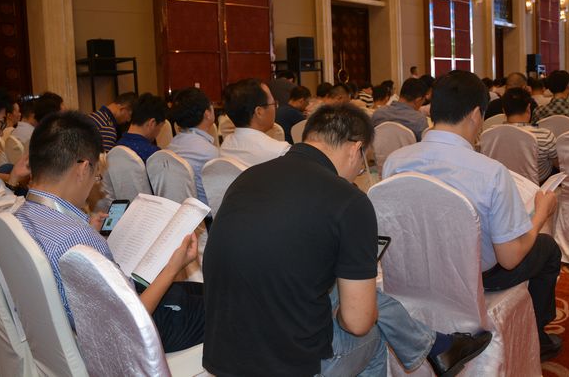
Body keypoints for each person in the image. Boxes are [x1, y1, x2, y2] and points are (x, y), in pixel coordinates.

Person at [203, 104, 491, 377]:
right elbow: (358, 323)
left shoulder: (248, 178)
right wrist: (344, 312)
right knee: (373, 333)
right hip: (290, 366)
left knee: (351, 293)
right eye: (364, 164)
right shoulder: (347, 200)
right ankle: (437, 348)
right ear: (355, 149)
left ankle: (438, 347)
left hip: (224, 354)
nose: (358, 172)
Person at [383, 71, 562, 362]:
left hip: (413, 269)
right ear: (477, 114)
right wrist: (541, 213)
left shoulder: (395, 161)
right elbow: (510, 258)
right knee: (548, 249)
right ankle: (537, 336)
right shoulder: (490, 173)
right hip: (477, 277)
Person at [15, 111, 205, 352]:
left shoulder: (20, 215)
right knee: (228, 306)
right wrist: (172, 268)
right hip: (129, 335)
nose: (95, 183)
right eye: (97, 175)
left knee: (204, 292)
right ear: (83, 169)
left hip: (72, 331)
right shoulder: (77, 239)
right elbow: (130, 322)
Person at [220, 78, 290, 166]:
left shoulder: (225, 147)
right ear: (259, 112)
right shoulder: (281, 152)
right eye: (273, 104)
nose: (275, 108)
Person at [167, 87, 219, 206]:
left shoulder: (171, 145)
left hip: (176, 209)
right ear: (207, 114)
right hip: (204, 214)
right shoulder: (209, 153)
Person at [501, 88, 559, 183]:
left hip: (505, 183)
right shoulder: (545, 135)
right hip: (537, 184)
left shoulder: (488, 134)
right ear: (528, 107)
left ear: (503, 111)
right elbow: (559, 164)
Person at [116, 93, 166, 162]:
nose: (159, 132)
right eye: (160, 127)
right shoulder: (153, 154)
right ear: (152, 123)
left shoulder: (117, 147)